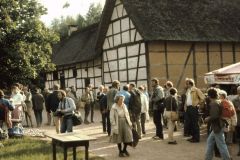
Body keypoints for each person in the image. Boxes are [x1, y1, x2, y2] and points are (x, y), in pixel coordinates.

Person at [205, 88, 231, 160]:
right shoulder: (218, 101)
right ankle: (208, 158)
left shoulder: (214, 103)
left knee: (221, 144)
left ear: (209, 96)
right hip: (218, 126)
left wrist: (208, 118)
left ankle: (227, 158)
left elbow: (215, 116)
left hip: (217, 127)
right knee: (210, 142)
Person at [184, 78, 205, 143]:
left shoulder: (196, 90)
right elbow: (187, 99)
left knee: (195, 123)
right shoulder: (188, 90)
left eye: (187, 84)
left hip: (193, 108)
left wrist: (197, 104)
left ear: (189, 84)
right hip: (188, 108)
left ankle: (196, 138)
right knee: (190, 123)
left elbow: (203, 98)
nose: (186, 85)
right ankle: (193, 137)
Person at [231, 86, 240, 156]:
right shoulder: (234, 100)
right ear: (237, 92)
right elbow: (232, 111)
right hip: (239, 121)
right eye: (239, 91)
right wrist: (237, 109)